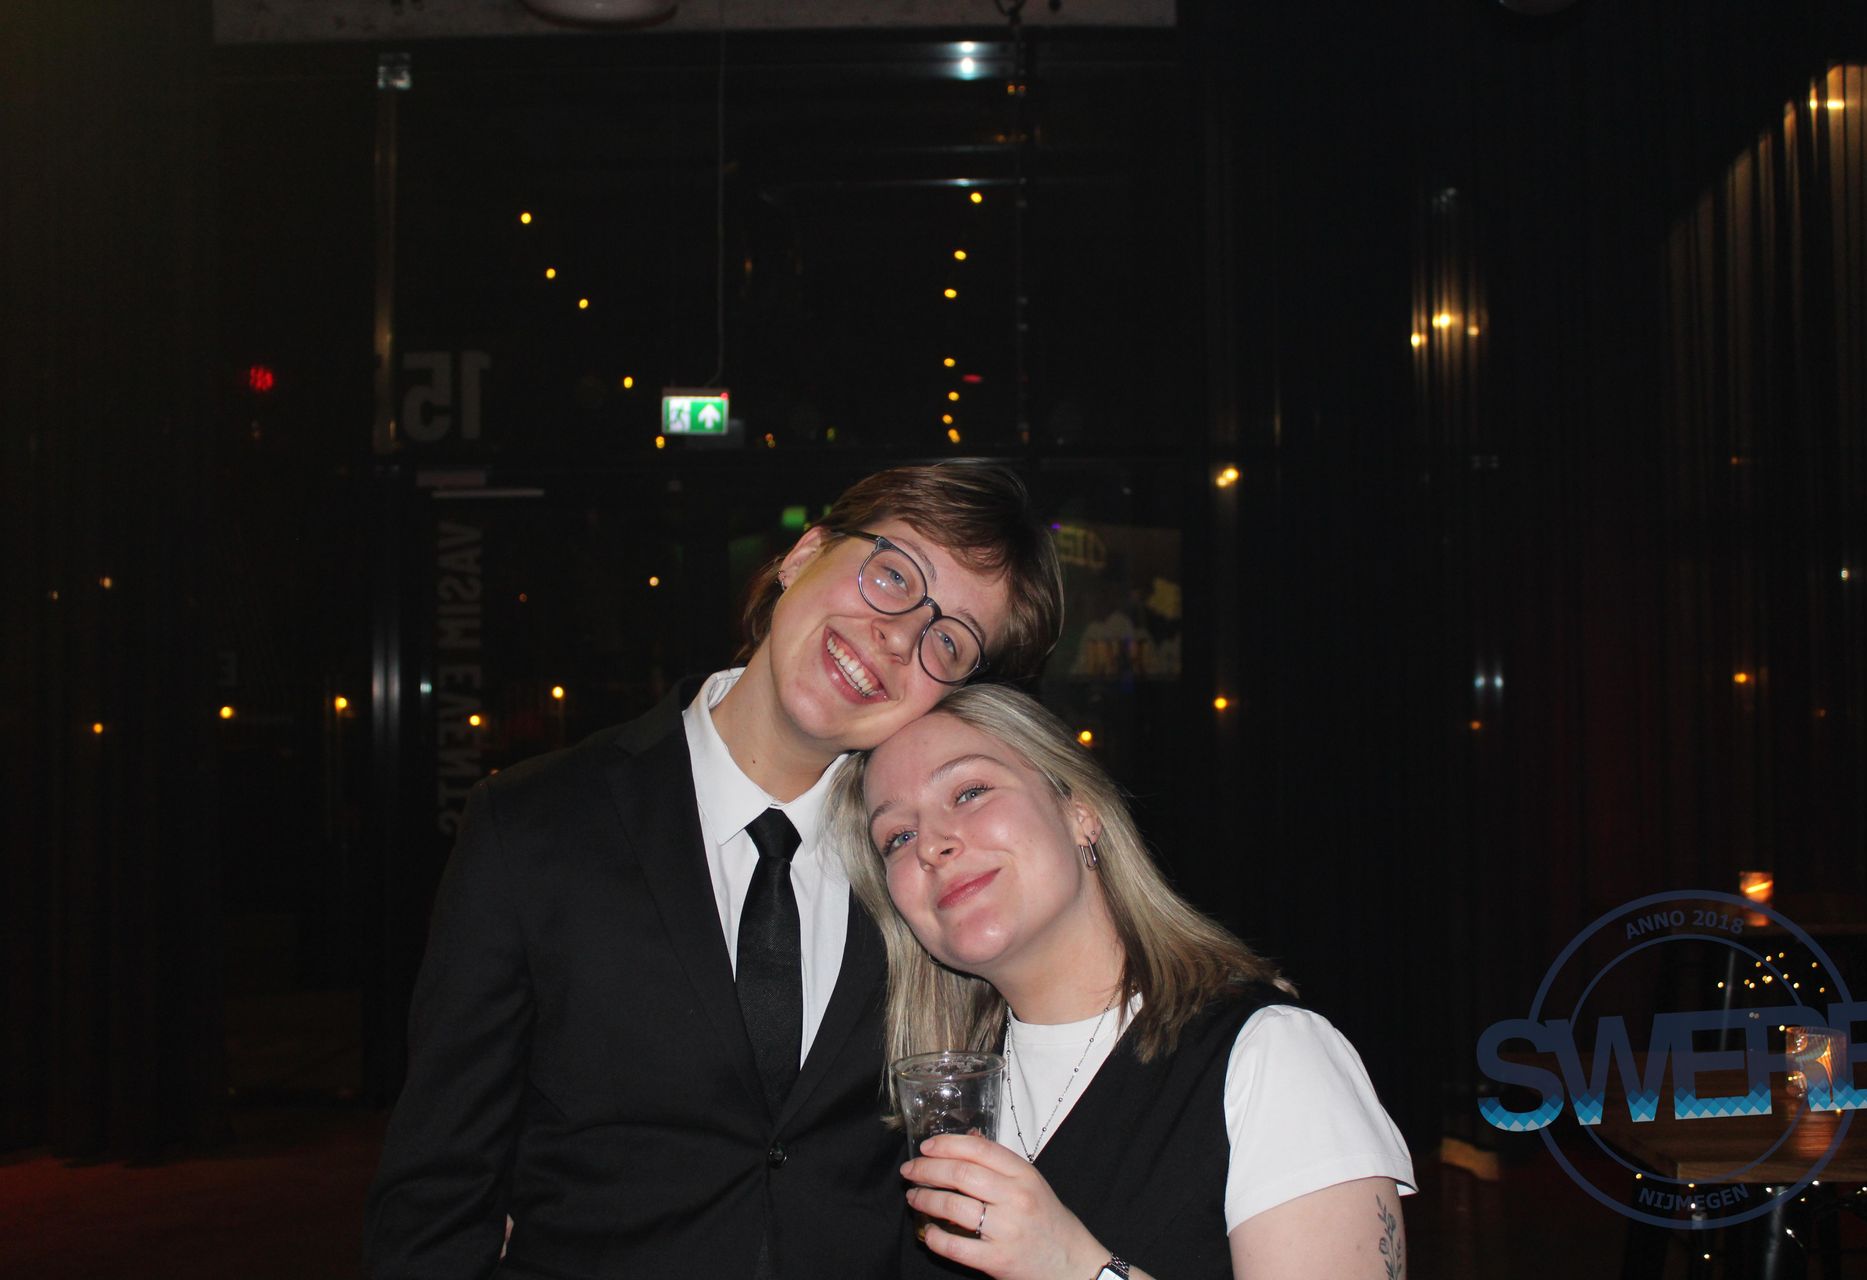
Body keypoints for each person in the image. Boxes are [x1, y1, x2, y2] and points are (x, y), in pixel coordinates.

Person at [364, 462, 1064, 1279]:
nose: (899, 636)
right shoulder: (532, 827)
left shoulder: (933, 873)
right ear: (804, 554)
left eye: (948, 641)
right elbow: (438, 1195)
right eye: (894, 574)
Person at [831, 684, 1416, 1280]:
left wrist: (1074, 1266)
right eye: (897, 838)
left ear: (1080, 812)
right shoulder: (934, 1106)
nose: (932, 844)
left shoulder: (1268, 1056)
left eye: (970, 792)